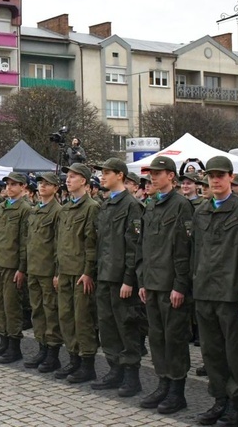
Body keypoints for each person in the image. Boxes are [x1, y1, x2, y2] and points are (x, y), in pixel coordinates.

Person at [191, 156, 238, 426]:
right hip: (205, 292)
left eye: (220, 175)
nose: (215, 180)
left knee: (237, 353)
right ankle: (220, 400)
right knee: (212, 352)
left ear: (231, 177)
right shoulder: (201, 211)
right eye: (211, 175)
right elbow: (196, 252)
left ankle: (237, 406)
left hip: (231, 295)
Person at [137, 156, 193, 415]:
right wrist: (142, 280)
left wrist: (180, 285)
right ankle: (163, 383)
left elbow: (184, 249)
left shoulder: (181, 205)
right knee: (157, 338)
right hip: (152, 283)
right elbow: (144, 246)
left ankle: (177, 391)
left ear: (171, 175)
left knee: (174, 339)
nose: (153, 177)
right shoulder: (150, 205)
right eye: (151, 174)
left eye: (158, 173)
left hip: (171, 285)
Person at [92, 158, 144, 394]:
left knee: (126, 327)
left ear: (120, 175)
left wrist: (128, 279)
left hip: (121, 279)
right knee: (108, 327)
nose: (102, 177)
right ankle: (115, 370)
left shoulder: (131, 205)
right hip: (104, 275)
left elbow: (134, 246)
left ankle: (131, 376)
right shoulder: (105, 204)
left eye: (107, 172)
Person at [54, 163, 100, 382]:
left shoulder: (91, 207)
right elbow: (60, 242)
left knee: (83, 319)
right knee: (66, 316)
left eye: (73, 176)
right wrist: (57, 270)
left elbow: (92, 243)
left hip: (81, 273)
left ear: (84, 180)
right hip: (65, 270)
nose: (68, 180)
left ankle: (87, 362)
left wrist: (89, 271)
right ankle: (73, 358)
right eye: (67, 176)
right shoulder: (65, 209)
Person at [0, 172, 30, 364]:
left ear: (23, 187)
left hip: (12, 265)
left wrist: (22, 268)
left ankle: (14, 345)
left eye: (14, 184)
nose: (9, 188)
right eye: (8, 184)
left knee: (11, 306)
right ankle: (3, 340)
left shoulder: (25, 209)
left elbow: (24, 241)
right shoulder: (1, 207)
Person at [23, 172, 63, 373]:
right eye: (40, 183)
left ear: (56, 188)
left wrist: (57, 272)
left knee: (51, 312)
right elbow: (29, 242)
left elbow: (58, 245)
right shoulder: (35, 210)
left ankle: (52, 353)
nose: (42, 187)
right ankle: (41, 347)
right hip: (34, 269)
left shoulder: (57, 211)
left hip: (48, 271)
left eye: (47, 184)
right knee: (37, 310)